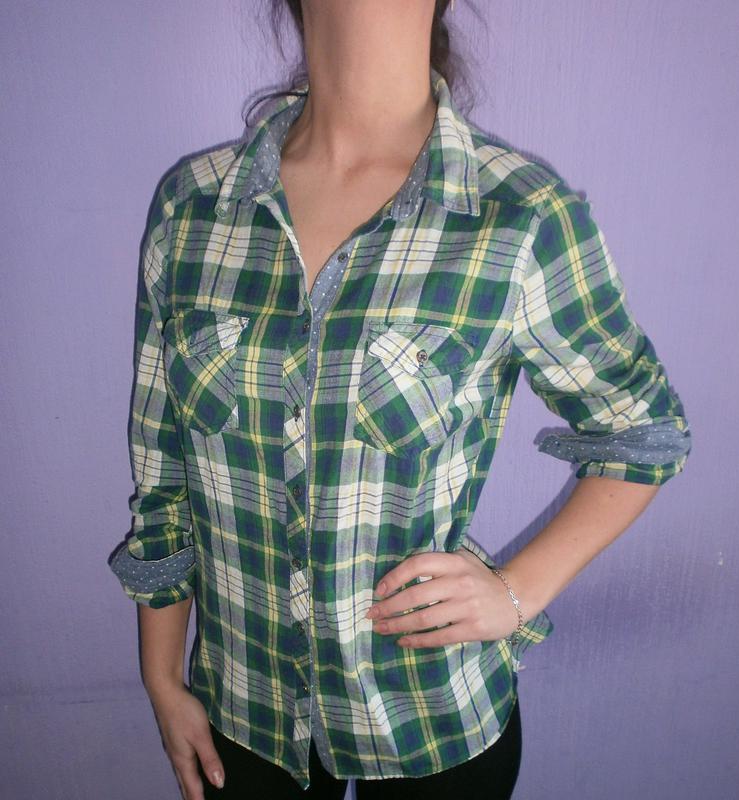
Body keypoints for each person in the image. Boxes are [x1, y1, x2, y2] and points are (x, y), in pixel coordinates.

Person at [107, 1, 692, 798]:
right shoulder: (193, 209)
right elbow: (162, 470)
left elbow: (643, 430)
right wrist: (161, 677)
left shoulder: (517, 215)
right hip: (238, 713)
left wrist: (517, 591)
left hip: (429, 722)